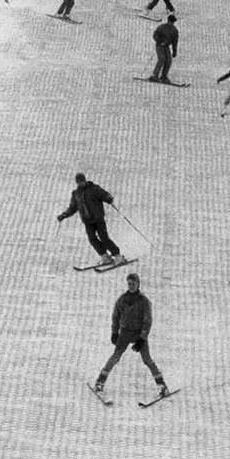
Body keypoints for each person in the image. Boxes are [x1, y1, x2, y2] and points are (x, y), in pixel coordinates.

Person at [93, 273, 169, 402]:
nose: (131, 286)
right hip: (125, 332)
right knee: (115, 356)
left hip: (138, 333)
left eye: (133, 284)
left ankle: (162, 385)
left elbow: (147, 321)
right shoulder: (122, 300)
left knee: (147, 359)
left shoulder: (144, 301)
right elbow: (115, 316)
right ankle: (100, 383)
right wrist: (114, 332)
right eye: (129, 284)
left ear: (138, 284)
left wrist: (142, 338)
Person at [56, 172, 122, 263]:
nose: (80, 183)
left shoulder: (94, 189)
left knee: (104, 237)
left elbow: (104, 194)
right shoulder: (76, 194)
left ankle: (117, 255)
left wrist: (108, 198)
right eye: (79, 182)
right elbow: (72, 208)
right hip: (87, 221)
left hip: (98, 219)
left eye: (82, 181)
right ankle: (104, 256)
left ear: (85, 180)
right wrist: (64, 215)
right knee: (92, 239)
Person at [150, 15, 179, 82]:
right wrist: (159, 41)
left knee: (168, 60)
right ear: (168, 21)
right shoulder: (162, 27)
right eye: (171, 22)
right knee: (162, 58)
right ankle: (154, 75)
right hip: (159, 45)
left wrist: (174, 51)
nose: (171, 23)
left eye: (172, 22)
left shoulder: (174, 30)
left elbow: (175, 41)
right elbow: (155, 35)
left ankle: (164, 76)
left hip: (166, 46)